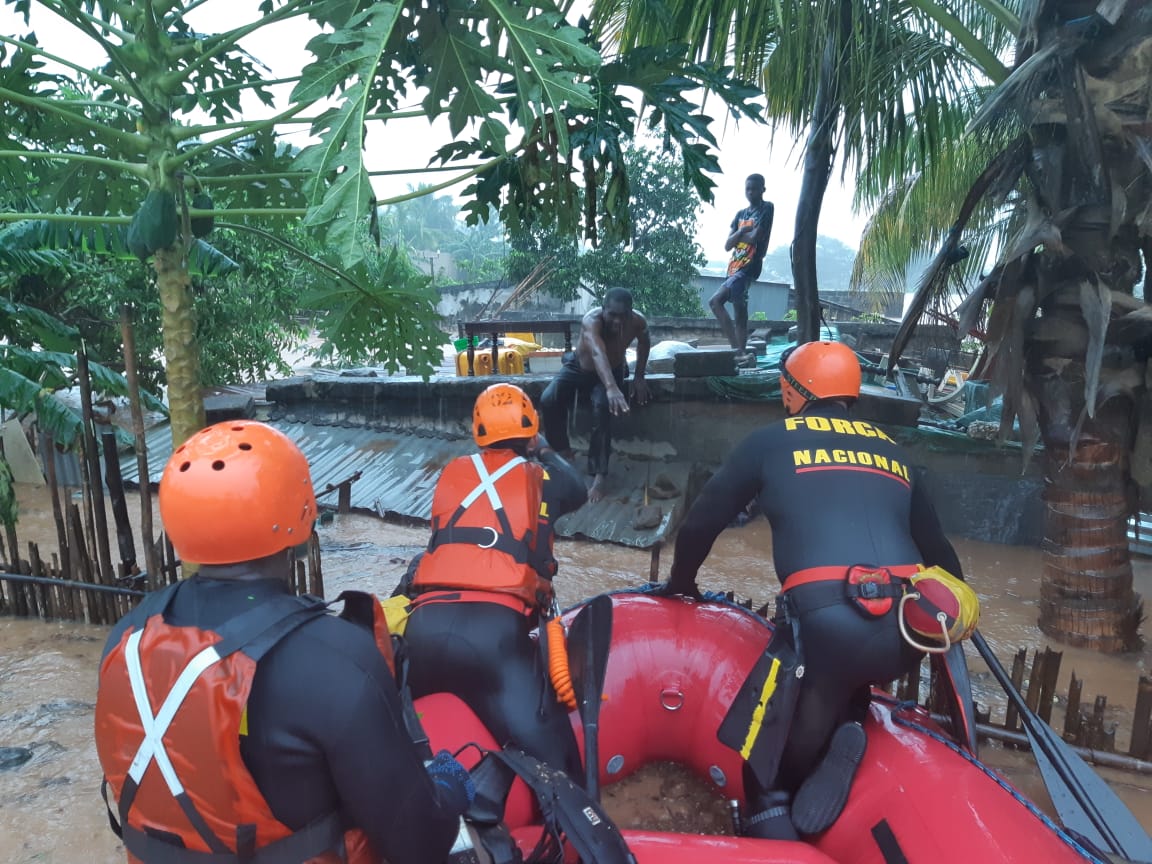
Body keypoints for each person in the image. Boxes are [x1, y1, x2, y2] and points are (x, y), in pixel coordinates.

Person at [94, 420, 472, 864]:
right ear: (301, 513)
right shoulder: (337, 657)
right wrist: (448, 788)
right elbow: (419, 845)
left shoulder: (126, 639)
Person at [661, 341, 973, 841]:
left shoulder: (769, 442)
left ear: (792, 392)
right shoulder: (895, 452)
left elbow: (702, 521)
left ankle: (775, 810)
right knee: (838, 681)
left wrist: (681, 583)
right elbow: (943, 558)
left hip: (828, 621)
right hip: (906, 632)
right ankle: (844, 731)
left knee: (761, 770)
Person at [404, 383, 588, 783]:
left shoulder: (453, 474)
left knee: (408, 750)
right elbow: (578, 489)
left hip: (424, 631)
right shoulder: (541, 477)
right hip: (494, 639)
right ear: (531, 430)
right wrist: (543, 449)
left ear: (478, 430)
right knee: (561, 774)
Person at [540, 287, 651, 503]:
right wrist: (611, 388)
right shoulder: (591, 321)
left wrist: (639, 377)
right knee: (548, 398)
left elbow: (645, 343)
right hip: (579, 367)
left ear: (630, 313)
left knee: (602, 407)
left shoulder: (638, 321)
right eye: (613, 315)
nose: (618, 322)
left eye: (623, 316)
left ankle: (599, 476)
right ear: (603, 310)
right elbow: (598, 352)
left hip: (613, 369)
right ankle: (563, 452)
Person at [711, 174, 773, 366]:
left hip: (749, 267)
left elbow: (755, 238)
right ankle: (743, 353)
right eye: (748, 189)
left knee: (715, 301)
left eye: (754, 189)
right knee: (740, 310)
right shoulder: (740, 214)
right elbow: (728, 245)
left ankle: (736, 351)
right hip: (734, 265)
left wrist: (741, 236)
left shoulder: (767, 208)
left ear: (763, 189)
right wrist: (740, 232)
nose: (751, 192)